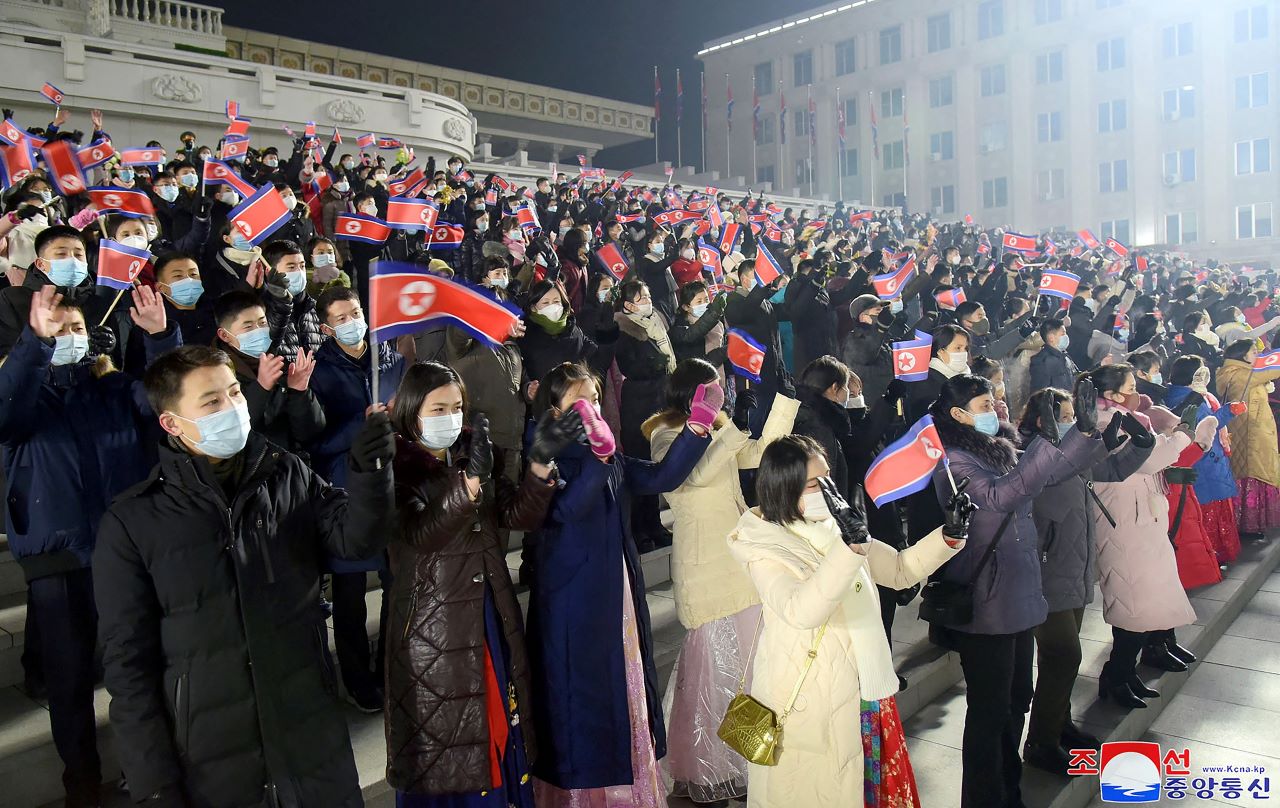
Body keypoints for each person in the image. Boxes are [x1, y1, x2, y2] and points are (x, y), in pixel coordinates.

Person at [93, 344, 397, 807]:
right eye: (211, 401)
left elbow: (355, 540)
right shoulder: (132, 522)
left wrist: (369, 473)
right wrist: (153, 785)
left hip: (309, 735)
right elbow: (128, 666)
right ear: (172, 423)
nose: (233, 407)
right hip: (213, 758)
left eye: (235, 392)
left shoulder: (287, 473)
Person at [0, 285, 178, 808]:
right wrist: (34, 345)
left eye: (77, 328)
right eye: (58, 330)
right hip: (58, 561)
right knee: (70, 678)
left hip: (123, 551)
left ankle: (148, 768)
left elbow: (165, 399)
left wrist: (161, 338)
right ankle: (80, 779)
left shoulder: (113, 388)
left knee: (137, 665)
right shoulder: (25, 395)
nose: (69, 337)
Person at [726, 435, 970, 807]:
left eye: (828, 478)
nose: (827, 490)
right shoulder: (764, 546)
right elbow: (801, 611)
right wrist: (849, 548)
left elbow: (899, 570)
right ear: (784, 488)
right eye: (815, 484)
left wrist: (949, 535)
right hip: (816, 698)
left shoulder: (835, 525)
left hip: (868, 688)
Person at [385, 362, 582, 806]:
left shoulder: (475, 449)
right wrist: (469, 484)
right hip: (436, 627)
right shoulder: (394, 465)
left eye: (457, 407)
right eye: (438, 409)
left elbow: (516, 515)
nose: (451, 417)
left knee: (501, 726)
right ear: (412, 411)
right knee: (452, 745)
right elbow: (420, 534)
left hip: (489, 610)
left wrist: (538, 466)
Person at [524, 362, 711, 807]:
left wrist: (696, 429)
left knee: (626, 685)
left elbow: (659, 477)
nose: (593, 408)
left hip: (616, 586)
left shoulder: (605, 452)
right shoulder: (543, 455)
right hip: (573, 599)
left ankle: (628, 790)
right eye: (580, 401)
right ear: (555, 410)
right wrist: (599, 458)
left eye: (595, 397)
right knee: (581, 695)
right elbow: (566, 509)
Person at [928, 374, 1103, 808]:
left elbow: (1050, 473)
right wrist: (1046, 445)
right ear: (958, 414)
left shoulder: (999, 448)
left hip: (1019, 591)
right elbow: (1001, 495)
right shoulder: (954, 461)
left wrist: (1083, 434)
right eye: (986, 405)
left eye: (995, 402)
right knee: (990, 711)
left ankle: (1009, 792)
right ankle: (984, 800)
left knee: (1016, 699)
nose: (997, 410)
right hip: (986, 600)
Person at [642, 359, 798, 805]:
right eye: (712, 390)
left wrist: (782, 404)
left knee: (749, 672)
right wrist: (730, 430)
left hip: (740, 564)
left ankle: (747, 761)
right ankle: (707, 769)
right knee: (712, 678)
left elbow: (761, 452)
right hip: (706, 570)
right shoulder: (666, 435)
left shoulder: (720, 428)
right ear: (691, 394)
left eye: (722, 389)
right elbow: (693, 475)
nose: (722, 396)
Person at [1018, 388, 1147, 774]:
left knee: (1061, 659)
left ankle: (1059, 725)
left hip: (1072, 569)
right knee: (1064, 655)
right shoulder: (1030, 457)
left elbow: (1112, 469)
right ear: (1042, 421)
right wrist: (1083, 442)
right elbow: (1050, 476)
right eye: (1065, 417)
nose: (1073, 423)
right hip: (1044, 574)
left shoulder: (1074, 456)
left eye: (1074, 416)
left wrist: (1140, 444)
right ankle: (1040, 743)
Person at [308, 287, 405, 711]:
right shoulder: (318, 372)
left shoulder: (391, 359)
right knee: (349, 595)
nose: (353, 322)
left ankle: (389, 669)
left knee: (396, 584)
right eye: (342, 317)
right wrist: (359, 426)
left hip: (393, 486)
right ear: (327, 328)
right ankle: (357, 680)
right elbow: (315, 441)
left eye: (356, 312)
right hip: (346, 491)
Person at [1087, 364, 1205, 708]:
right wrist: (1182, 435)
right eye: (1130, 387)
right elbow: (1149, 459)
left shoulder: (1125, 418)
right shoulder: (1107, 423)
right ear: (1110, 395)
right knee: (1131, 601)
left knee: (1143, 598)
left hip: (1141, 517)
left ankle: (1126, 671)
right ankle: (1116, 675)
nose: (1137, 392)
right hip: (1122, 521)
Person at [213, 290, 326, 453]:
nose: (259, 331)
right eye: (248, 327)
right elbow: (232, 435)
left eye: (262, 323)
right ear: (224, 335)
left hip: (292, 460)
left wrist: (299, 392)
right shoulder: (215, 375)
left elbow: (310, 433)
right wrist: (261, 388)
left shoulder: (280, 362)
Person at [613, 279, 679, 549]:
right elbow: (629, 366)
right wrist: (654, 365)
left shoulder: (655, 324)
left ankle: (654, 524)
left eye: (648, 296)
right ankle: (638, 528)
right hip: (638, 403)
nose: (648, 302)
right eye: (641, 298)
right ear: (628, 305)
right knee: (640, 464)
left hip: (659, 400)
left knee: (655, 464)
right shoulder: (624, 330)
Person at [1165, 355, 1242, 564]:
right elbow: (1207, 424)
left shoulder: (1184, 395)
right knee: (1208, 512)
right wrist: (1228, 411)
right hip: (1205, 461)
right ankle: (1212, 557)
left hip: (1208, 458)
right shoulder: (1191, 399)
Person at [1216, 339, 1280, 537]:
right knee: (1252, 473)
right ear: (1243, 355)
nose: (1257, 355)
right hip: (1251, 433)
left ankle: (1250, 524)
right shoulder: (1242, 374)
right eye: (1253, 352)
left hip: (1249, 430)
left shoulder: (1235, 372)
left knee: (1249, 471)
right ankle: (1248, 525)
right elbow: (1273, 369)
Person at [261, 239, 325, 358]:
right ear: (269, 272)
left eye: (302, 266)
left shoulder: (316, 308)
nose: (299, 272)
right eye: (291, 267)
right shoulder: (262, 312)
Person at [668, 280, 728, 364]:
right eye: (699, 301)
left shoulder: (717, 323)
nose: (704, 304)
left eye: (706, 299)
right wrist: (726, 351)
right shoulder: (680, 326)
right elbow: (693, 333)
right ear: (686, 307)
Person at [1029, 318, 1078, 393]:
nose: (1066, 337)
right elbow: (1039, 394)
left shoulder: (1065, 356)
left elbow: (1077, 377)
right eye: (1063, 334)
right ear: (1051, 337)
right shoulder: (1042, 361)